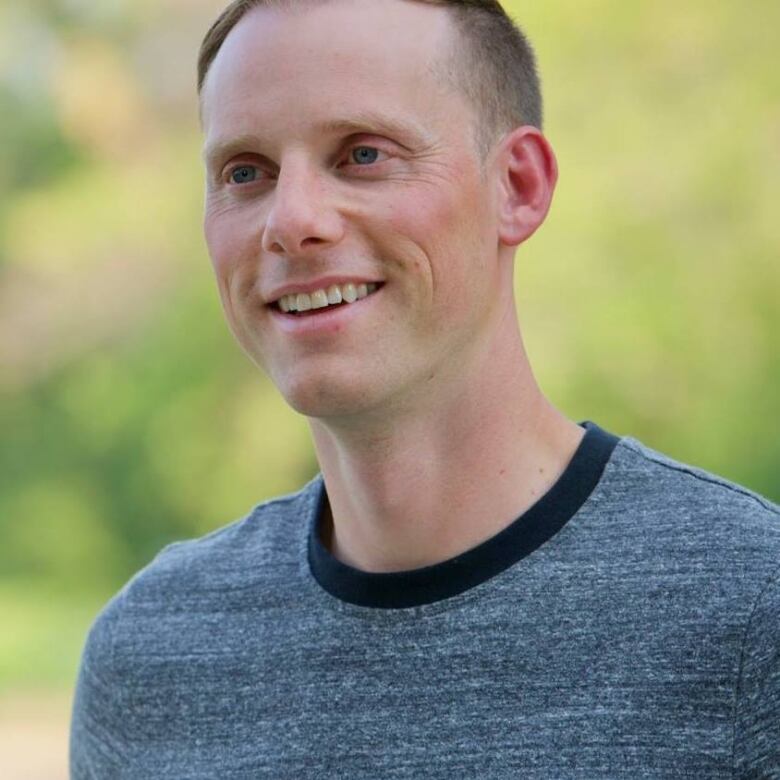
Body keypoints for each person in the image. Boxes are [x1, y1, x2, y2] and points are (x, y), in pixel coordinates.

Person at [70, 0, 779, 777]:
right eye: (245, 172)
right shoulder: (148, 658)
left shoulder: (750, 612)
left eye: (363, 154)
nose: (292, 220)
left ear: (518, 187)